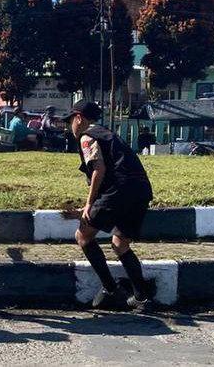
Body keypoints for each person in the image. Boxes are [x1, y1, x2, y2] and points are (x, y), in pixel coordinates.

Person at [64, 99, 155, 310]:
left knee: (83, 236)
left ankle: (111, 290)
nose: (70, 127)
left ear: (79, 118)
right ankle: (142, 298)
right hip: (140, 190)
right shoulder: (108, 134)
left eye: (70, 121)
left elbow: (99, 169)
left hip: (118, 191)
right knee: (120, 244)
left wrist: (89, 204)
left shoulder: (87, 137)